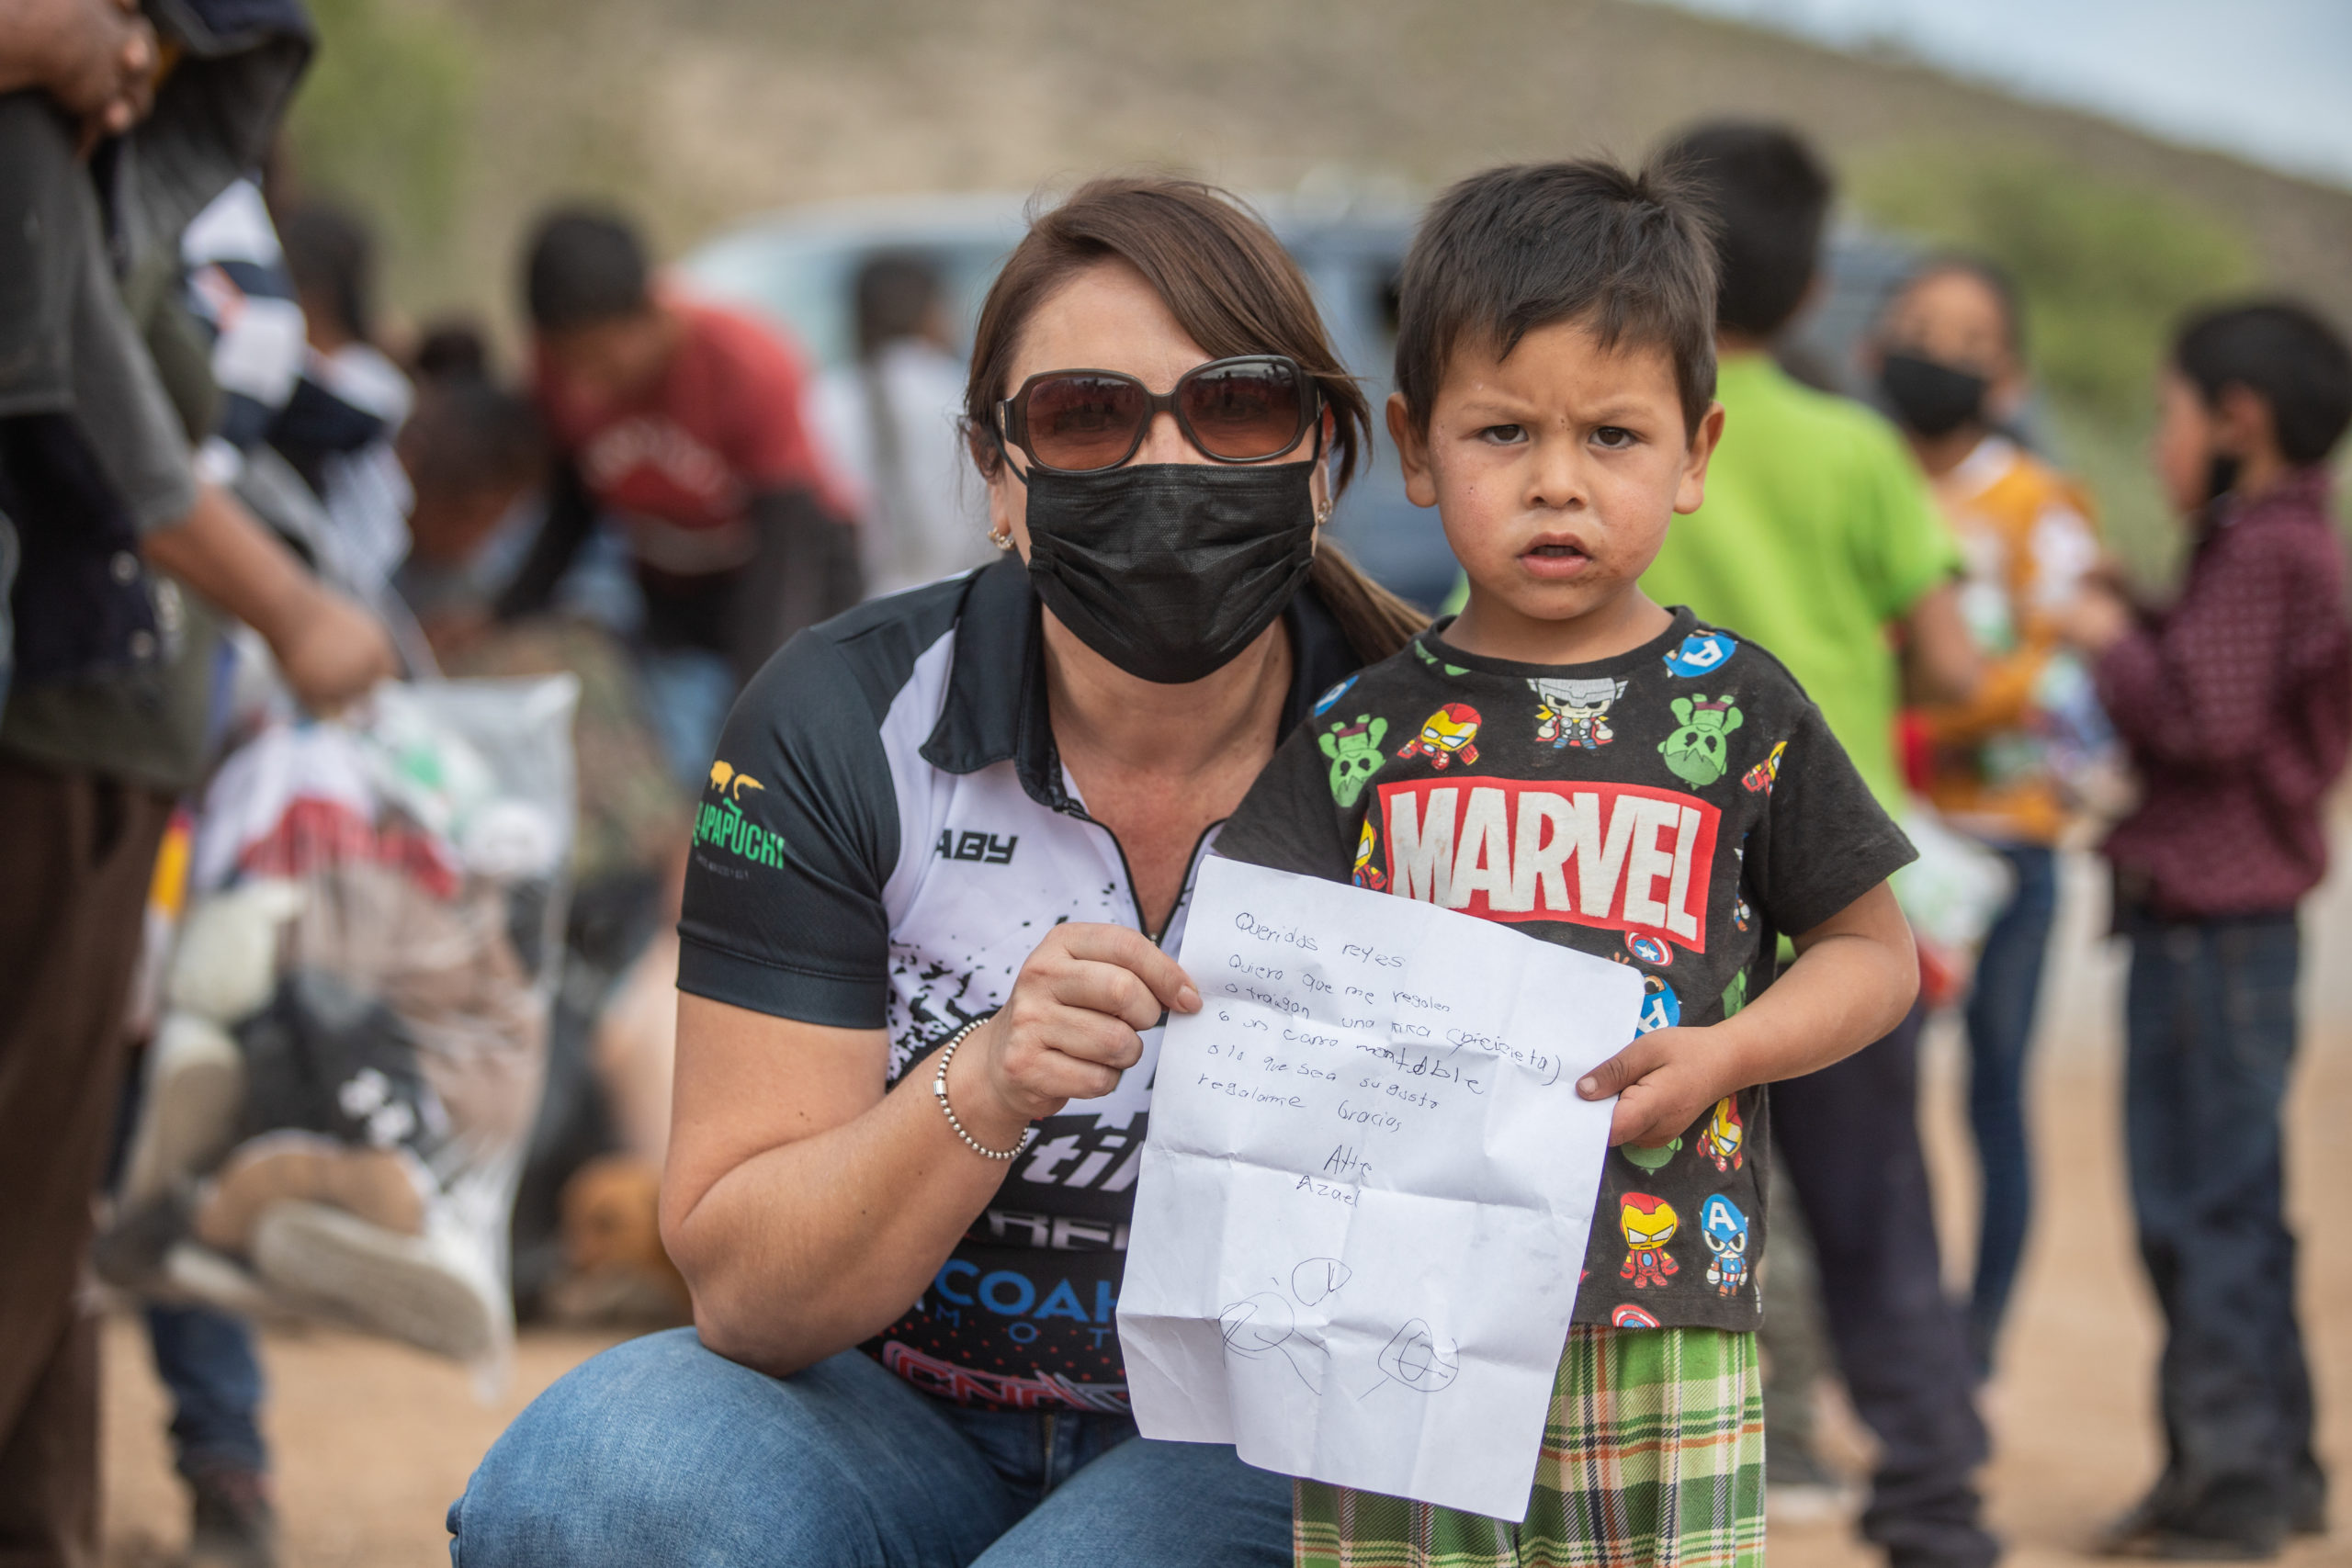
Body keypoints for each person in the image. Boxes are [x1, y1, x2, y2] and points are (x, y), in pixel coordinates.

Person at [447, 174, 1425, 1567]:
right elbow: (745, 1289)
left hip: (1251, 1439)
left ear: (1321, 458)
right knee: (599, 1481)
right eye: (1086, 416)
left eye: (1238, 405)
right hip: (886, 1406)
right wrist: (986, 1078)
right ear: (997, 478)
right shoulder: (841, 723)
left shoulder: (1444, 754)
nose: (1167, 464)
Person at [1212, 154, 1926, 1566]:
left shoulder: (1739, 710)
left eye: (1612, 436)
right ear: (1415, 447)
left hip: (1669, 1330)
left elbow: (1873, 953)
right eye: (1501, 434)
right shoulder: (1362, 732)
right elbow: (1247, 970)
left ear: (1696, 452)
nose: (1556, 483)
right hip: (1399, 1318)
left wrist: (1731, 1050)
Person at [0, 0, 396, 1557]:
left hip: (112, 719)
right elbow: (102, 424)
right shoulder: (35, 130)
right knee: (36, 1175)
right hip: (52, 718)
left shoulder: (89, 156)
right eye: (128, 27)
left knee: (55, 1188)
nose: (138, 73)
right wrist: (296, 611)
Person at [1637, 121, 1996, 1568]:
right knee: (1875, 1216)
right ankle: (1934, 1498)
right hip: (1835, 904)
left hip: (1656, 893)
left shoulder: (1637, 427)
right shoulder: (1858, 451)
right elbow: (1957, 664)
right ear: (1811, 284)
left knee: (1646, 1216)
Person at [2061, 301, 2348, 1560]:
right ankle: (2266, 1466)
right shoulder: (2268, 544)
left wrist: (2113, 640)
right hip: (2237, 934)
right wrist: (2152, 611)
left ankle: (2229, 1487)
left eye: (2170, 416)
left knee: (2201, 1211)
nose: (2161, 441)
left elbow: (2205, 725)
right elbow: (2230, 689)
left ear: (2240, 420)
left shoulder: (2268, 551)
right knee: (2237, 1205)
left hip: (2212, 936)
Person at [1868, 256, 2104, 1376]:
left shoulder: (2039, 507)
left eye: (1965, 343)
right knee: (1882, 1104)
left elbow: (2063, 674)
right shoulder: (1865, 482)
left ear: (2006, 378)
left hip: (2006, 843)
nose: (1934, 357)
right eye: (1916, 330)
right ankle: (1900, 1341)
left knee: (1995, 1095)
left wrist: (1933, 694)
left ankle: (1979, 1345)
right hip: (1886, 844)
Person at [495, 206, 863, 785]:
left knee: (775, 761)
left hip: (787, 577)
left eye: (599, 356)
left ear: (648, 312)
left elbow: (785, 551)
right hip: (673, 586)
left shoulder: (744, 361)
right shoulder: (557, 372)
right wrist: (506, 614)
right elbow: (571, 508)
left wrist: (753, 712)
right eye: (569, 364)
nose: (586, 383)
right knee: (676, 759)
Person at [814, 250, 999, 596]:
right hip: (963, 599)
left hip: (859, 609)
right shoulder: (964, 397)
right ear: (931, 312)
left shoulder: (823, 402)